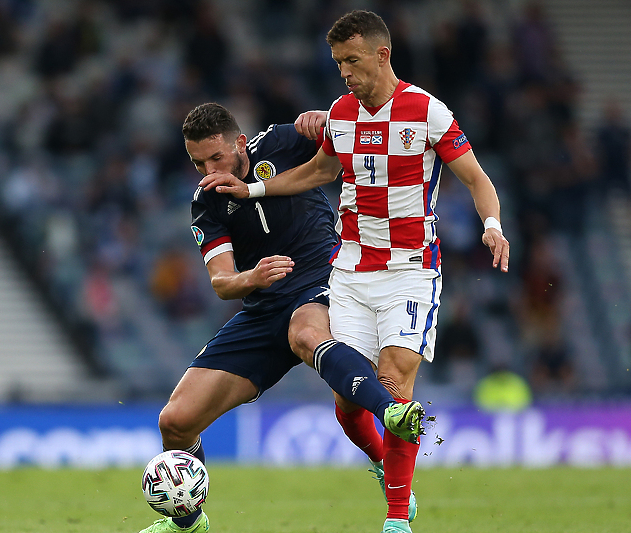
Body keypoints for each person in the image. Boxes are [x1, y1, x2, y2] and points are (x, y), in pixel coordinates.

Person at [200, 10, 510, 533]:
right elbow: (317, 171)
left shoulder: (428, 112)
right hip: (349, 272)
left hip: (411, 271)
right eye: (338, 62)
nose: (344, 72)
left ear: (381, 54)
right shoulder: (342, 113)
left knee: (394, 382)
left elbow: (477, 179)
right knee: (350, 403)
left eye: (352, 60)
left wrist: (493, 224)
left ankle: (396, 519)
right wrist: (251, 189)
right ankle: (382, 465)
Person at [139, 103, 424, 533]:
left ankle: (390, 412)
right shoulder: (207, 203)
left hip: (323, 281)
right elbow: (221, 282)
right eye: (198, 162)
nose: (207, 170)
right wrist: (250, 277)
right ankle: (189, 523)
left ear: (239, 143)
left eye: (216, 158)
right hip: (262, 307)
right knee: (175, 422)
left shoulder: (280, 142)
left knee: (306, 333)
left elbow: (352, 127)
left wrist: (323, 117)